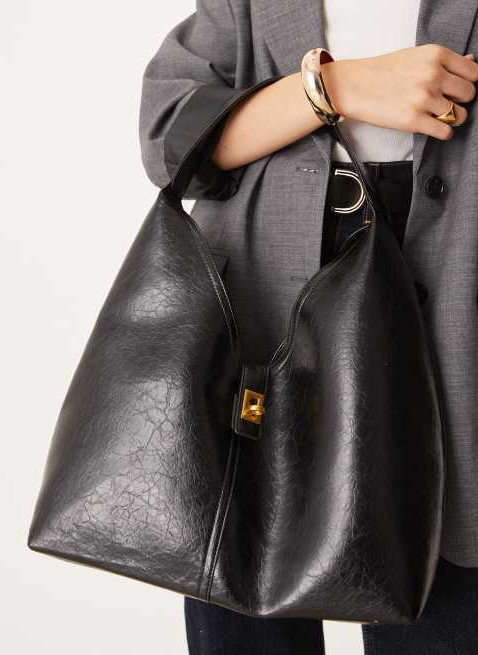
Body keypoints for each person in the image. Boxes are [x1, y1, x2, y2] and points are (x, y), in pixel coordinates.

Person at [138, 1, 478, 653]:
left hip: (457, 319)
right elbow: (167, 137)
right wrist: (334, 87)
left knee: (450, 583)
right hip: (262, 331)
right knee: (245, 584)